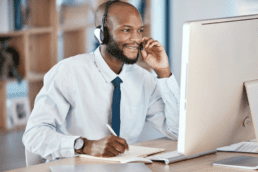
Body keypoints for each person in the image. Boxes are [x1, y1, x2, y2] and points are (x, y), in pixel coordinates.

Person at [22, 1, 180, 161]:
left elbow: (177, 131)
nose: (137, 39)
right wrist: (85, 146)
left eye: (140, 30)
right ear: (101, 34)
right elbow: (33, 135)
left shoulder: (144, 79)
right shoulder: (68, 73)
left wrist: (163, 72)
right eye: (126, 30)